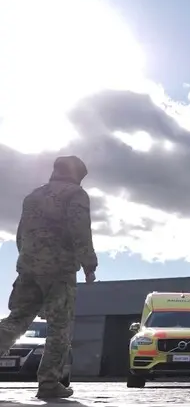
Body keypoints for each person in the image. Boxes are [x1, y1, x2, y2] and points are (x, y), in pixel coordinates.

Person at [0, 156, 98, 399]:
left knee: (16, 320)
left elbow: (21, 233)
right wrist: (89, 264)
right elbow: (80, 229)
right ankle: (48, 383)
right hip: (58, 268)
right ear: (77, 175)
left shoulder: (33, 196)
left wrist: (27, 260)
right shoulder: (74, 194)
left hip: (28, 266)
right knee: (59, 326)